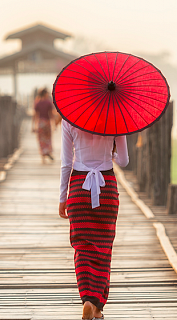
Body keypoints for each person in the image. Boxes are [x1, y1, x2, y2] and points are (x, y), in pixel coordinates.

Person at [58, 120, 129, 320]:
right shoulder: (116, 118)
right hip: (106, 187)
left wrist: (63, 198)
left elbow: (66, 163)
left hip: (79, 187)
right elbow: (123, 161)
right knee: (104, 247)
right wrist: (111, 153)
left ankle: (89, 301)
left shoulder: (69, 118)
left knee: (82, 246)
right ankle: (96, 302)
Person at [32, 88, 56, 163]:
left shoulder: (37, 102)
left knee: (41, 139)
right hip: (47, 122)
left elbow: (35, 115)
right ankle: (48, 151)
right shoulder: (48, 102)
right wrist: (54, 124)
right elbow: (51, 114)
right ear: (45, 94)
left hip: (40, 123)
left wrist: (33, 126)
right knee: (48, 138)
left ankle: (43, 156)